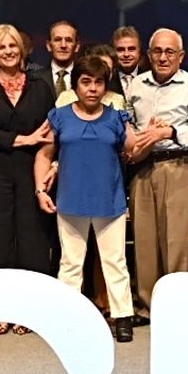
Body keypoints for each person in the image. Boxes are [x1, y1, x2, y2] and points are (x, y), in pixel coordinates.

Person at [35, 55, 138, 341]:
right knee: (70, 264)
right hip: (71, 200)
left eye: (98, 82)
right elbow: (44, 154)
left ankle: (122, 318)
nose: (92, 88)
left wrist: (145, 135)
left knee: (115, 262)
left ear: (106, 86)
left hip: (110, 201)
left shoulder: (117, 117)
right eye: (86, 82)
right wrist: (41, 190)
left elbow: (132, 149)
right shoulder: (59, 116)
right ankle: (67, 319)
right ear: (75, 85)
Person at [0, 24, 56, 333]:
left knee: (32, 239)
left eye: (13, 46)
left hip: (31, 169)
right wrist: (25, 138)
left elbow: (48, 133)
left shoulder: (41, 87)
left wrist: (44, 157)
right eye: (1, 47)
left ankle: (29, 312)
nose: (8, 51)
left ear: (21, 51)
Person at [123, 29, 188, 312]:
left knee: (175, 240)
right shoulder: (137, 84)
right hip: (142, 167)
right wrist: (140, 140)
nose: (163, 57)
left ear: (181, 56)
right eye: (157, 51)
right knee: (144, 240)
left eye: (169, 52)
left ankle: (177, 306)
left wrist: (168, 131)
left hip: (177, 165)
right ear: (149, 55)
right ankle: (148, 305)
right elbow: (131, 125)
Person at [35, 20, 82, 95]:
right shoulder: (34, 79)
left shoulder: (86, 79)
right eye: (57, 40)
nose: (63, 45)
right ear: (48, 46)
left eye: (68, 40)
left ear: (77, 47)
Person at [111, 26, 146, 99]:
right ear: (113, 52)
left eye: (131, 49)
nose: (126, 54)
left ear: (139, 51)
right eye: (120, 50)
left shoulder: (149, 80)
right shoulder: (107, 80)